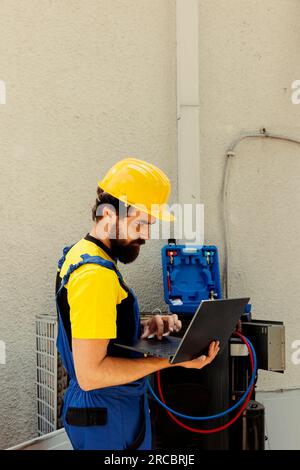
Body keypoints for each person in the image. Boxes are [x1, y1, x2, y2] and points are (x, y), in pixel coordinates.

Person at [56, 157, 220, 450]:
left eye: (149, 225)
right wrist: (171, 360)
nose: (145, 235)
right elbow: (92, 374)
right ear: (109, 214)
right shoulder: (95, 276)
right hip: (106, 415)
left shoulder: (82, 254)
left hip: (107, 410)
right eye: (140, 223)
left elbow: (96, 331)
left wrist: (146, 328)